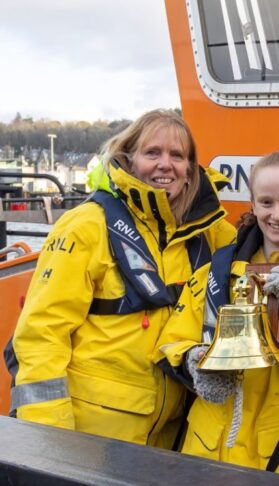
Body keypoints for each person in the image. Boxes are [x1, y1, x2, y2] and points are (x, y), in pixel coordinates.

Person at [4, 110, 236, 447]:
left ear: (190, 170)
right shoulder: (85, 226)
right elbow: (41, 336)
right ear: (128, 160)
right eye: (152, 152)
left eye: (177, 155)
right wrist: (49, 441)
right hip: (87, 437)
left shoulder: (207, 234)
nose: (165, 164)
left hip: (164, 439)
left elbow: (262, 249)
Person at [154, 149, 279, 482]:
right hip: (210, 454)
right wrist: (195, 363)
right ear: (252, 205)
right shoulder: (215, 273)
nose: (277, 214)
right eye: (266, 203)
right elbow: (169, 344)